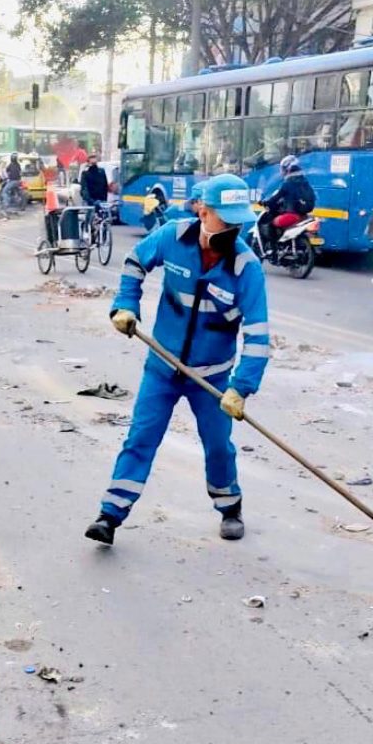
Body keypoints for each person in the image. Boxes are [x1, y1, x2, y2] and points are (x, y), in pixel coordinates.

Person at [85, 174, 270, 546]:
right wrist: (125, 305)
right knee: (141, 438)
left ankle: (229, 505)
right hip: (162, 368)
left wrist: (241, 387)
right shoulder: (173, 236)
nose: (233, 228)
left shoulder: (246, 267)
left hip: (213, 379)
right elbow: (134, 264)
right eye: (225, 218)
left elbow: (258, 337)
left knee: (218, 446)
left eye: (238, 222)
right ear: (203, 209)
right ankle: (110, 514)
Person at [260, 155, 315, 250]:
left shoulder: (288, 183)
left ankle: (273, 252)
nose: (282, 172)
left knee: (271, 224)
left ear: (287, 169)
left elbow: (276, 198)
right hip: (304, 215)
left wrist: (266, 203)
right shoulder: (304, 181)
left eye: (283, 169)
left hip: (292, 215)